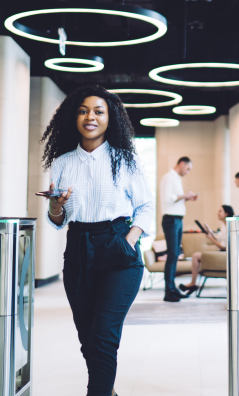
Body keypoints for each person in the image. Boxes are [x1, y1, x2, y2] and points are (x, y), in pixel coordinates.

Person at [41, 85, 154, 396]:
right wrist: (55, 206)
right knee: (88, 337)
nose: (90, 116)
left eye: (98, 111)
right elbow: (56, 220)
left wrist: (127, 241)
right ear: (74, 117)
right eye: (83, 111)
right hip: (77, 248)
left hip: (118, 248)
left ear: (110, 118)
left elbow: (146, 206)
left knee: (104, 335)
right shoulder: (63, 162)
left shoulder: (126, 159)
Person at [159, 157, 198, 302]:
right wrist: (184, 195)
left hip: (177, 219)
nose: (188, 172)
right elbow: (168, 199)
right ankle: (168, 291)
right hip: (171, 219)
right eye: (188, 169)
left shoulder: (176, 178)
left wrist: (186, 198)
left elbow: (175, 199)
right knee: (173, 254)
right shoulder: (169, 177)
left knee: (175, 255)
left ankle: (172, 288)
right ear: (182, 164)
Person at [179, 204, 234, 294]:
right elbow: (219, 239)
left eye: (220, 211)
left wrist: (210, 237)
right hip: (223, 253)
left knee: (195, 256)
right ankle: (193, 283)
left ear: (226, 213)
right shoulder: (225, 226)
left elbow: (223, 246)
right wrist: (210, 232)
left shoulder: (229, 226)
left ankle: (193, 283)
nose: (218, 213)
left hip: (224, 254)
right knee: (196, 255)